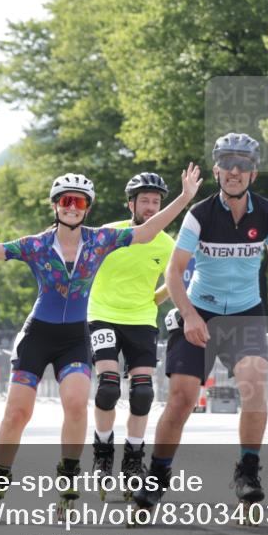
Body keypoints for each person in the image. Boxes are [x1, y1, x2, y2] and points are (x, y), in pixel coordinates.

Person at [0, 163, 201, 519]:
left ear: (87, 208)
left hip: (75, 338)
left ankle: (68, 475)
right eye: (65, 200)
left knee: (77, 405)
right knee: (17, 413)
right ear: (55, 205)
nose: (72, 207)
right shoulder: (36, 245)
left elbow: (149, 229)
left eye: (79, 202)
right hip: (37, 335)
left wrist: (185, 198)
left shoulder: (100, 240)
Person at [133, 133, 268, 523]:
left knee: (255, 380)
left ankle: (247, 471)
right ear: (217, 170)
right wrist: (190, 316)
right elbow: (174, 272)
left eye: (243, 164)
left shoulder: (267, 213)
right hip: (200, 312)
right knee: (182, 396)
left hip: (245, 313)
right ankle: (156, 477)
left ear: (253, 173)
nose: (235, 171)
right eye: (228, 163)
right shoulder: (200, 215)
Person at [86, 173, 174, 500]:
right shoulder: (110, 234)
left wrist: (155, 298)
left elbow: (177, 279)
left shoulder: (166, 244)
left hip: (141, 320)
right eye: (145, 201)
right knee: (108, 386)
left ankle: (133, 460)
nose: (151, 208)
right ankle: (102, 452)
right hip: (103, 316)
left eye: (156, 202)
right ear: (131, 204)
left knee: (143, 394)